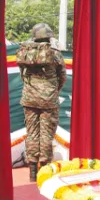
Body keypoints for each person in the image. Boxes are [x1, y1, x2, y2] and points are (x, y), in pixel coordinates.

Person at [18, 24, 66, 182]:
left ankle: (32, 170)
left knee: (32, 133)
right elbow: (62, 77)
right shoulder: (55, 54)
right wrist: (52, 91)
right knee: (46, 134)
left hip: (29, 98)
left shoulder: (25, 52)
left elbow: (22, 76)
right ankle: (45, 170)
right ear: (49, 36)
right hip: (49, 100)